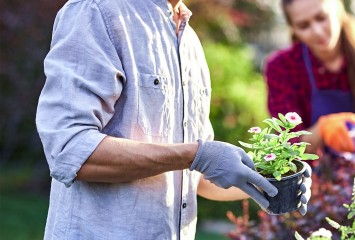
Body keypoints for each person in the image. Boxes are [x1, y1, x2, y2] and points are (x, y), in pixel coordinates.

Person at [35, 1, 311, 239]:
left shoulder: (189, 41)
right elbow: (70, 149)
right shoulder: (96, 11)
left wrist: (271, 181)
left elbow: (198, 178)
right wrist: (196, 155)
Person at [265, 0, 355, 155]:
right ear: (293, 29)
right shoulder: (281, 67)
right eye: (304, 26)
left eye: (321, 17)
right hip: (313, 172)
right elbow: (286, 144)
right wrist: (321, 130)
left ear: (338, 9)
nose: (317, 31)